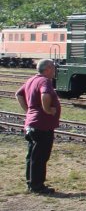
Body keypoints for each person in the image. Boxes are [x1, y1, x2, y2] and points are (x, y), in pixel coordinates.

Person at [16, 59, 61, 194]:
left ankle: (31, 182)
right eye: (53, 68)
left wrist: (28, 110)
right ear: (47, 69)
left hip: (31, 124)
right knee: (40, 157)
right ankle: (37, 186)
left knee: (32, 156)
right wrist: (47, 109)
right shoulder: (44, 81)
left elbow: (18, 94)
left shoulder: (31, 80)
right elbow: (45, 94)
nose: (54, 71)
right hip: (42, 125)